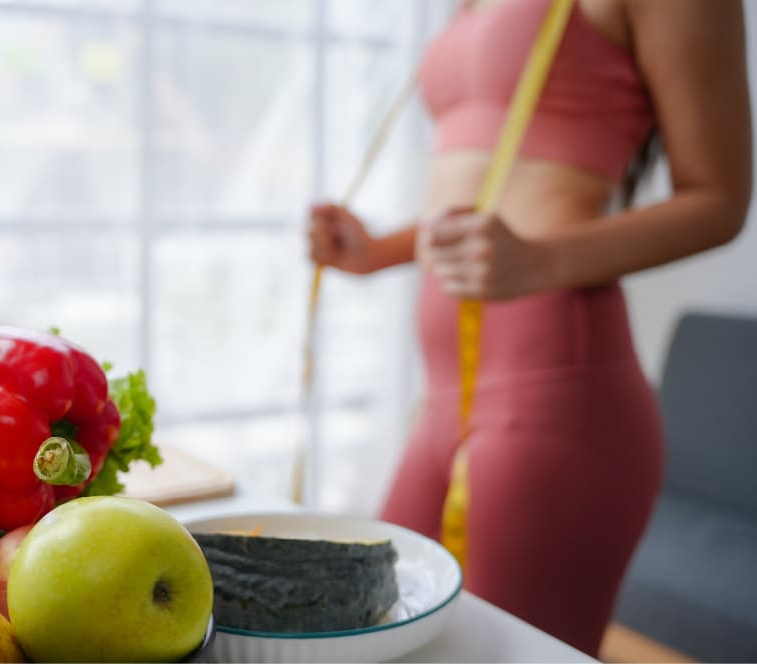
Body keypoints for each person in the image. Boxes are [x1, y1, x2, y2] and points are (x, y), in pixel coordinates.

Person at [307, 0, 751, 657]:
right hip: (444, 398)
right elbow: (487, 189)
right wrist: (375, 252)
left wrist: (540, 259)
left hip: (558, 395)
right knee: (366, 638)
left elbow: (720, 199)